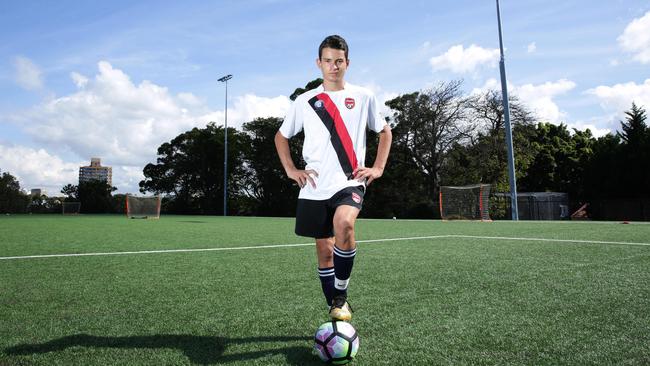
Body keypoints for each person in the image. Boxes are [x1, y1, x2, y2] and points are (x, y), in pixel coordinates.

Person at [274, 35, 392, 321]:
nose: (333, 67)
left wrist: (377, 169)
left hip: (350, 181)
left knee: (345, 224)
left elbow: (385, 132)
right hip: (314, 186)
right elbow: (281, 136)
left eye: (339, 61)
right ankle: (337, 306)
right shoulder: (305, 101)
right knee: (325, 252)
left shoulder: (364, 97)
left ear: (347, 63)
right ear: (319, 63)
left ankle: (341, 294)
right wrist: (291, 170)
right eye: (328, 61)